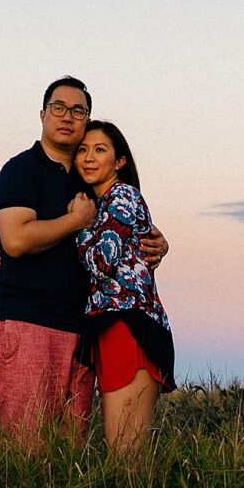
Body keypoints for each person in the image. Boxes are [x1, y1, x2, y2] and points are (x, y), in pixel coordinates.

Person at [0, 76, 167, 445]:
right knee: (26, 452)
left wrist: (159, 244)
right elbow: (17, 240)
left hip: (82, 333)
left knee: (70, 458)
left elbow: (124, 229)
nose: (67, 116)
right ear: (42, 114)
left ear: (87, 118)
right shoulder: (22, 169)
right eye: (59, 108)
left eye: (78, 110)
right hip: (29, 323)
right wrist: (75, 221)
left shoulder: (88, 182)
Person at [71, 120, 173, 457]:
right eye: (83, 150)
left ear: (120, 162)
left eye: (100, 150)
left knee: (126, 457)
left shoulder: (123, 196)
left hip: (129, 329)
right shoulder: (100, 204)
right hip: (112, 328)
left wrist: (80, 225)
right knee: (121, 453)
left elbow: (101, 263)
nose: (88, 157)